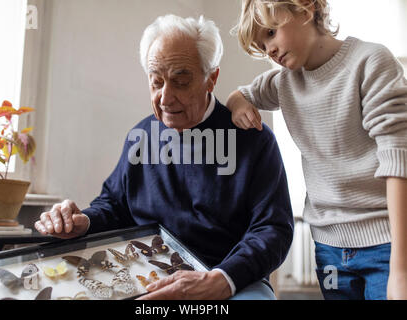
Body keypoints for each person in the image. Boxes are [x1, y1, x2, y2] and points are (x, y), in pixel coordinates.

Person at [35, 14, 294, 300]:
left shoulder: (253, 138)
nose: (165, 98)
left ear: (211, 79)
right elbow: (114, 205)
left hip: (230, 278)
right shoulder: (141, 136)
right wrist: (83, 220)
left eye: (180, 82)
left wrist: (221, 280)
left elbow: (272, 229)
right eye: (156, 82)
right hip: (148, 274)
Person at [225, 0, 407, 300]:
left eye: (271, 32)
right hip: (329, 249)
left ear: (306, 8)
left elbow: (399, 159)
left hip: (387, 243)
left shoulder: (371, 61)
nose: (268, 49)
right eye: (261, 44)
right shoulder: (284, 82)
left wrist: (401, 270)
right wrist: (238, 102)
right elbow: (242, 93)